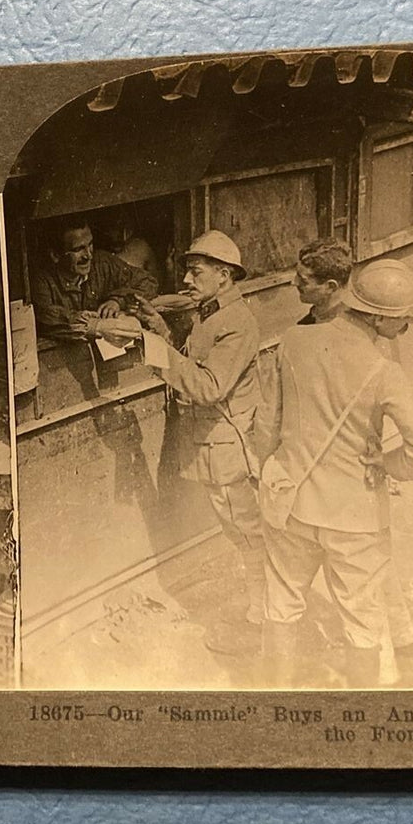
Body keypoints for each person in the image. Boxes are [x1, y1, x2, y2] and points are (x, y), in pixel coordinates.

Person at [258, 259, 413, 688]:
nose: (409, 325)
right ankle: (359, 713)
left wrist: (275, 469)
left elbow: (267, 424)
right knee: (361, 618)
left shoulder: (293, 340)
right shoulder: (385, 372)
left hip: (292, 502)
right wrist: (388, 465)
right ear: (378, 316)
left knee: (281, 604)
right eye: (404, 318)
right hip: (355, 514)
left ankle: (273, 699)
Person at [133, 230, 268, 655]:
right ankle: (264, 615)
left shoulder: (236, 323)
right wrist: (161, 333)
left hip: (226, 451)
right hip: (212, 448)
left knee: (250, 537)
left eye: (196, 271)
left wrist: (152, 347)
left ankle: (260, 626)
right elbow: (194, 365)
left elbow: (209, 386)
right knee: (244, 534)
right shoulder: (210, 316)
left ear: (224, 275)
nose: (187, 280)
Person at [292, 237, 413, 683]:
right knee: (367, 575)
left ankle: (394, 657)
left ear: (334, 287)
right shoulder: (314, 324)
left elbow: (387, 403)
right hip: (339, 477)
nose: (295, 286)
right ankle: (397, 653)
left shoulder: (366, 329)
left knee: (370, 575)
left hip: (353, 475)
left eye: (305, 280)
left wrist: (387, 458)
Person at [31, 217, 157, 343]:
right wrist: (94, 326)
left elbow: (147, 281)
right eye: (78, 249)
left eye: (90, 244)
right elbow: (45, 317)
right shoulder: (42, 282)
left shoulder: (102, 262)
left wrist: (118, 301)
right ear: (55, 255)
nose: (89, 255)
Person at [293, 237, 352, 326]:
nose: (294, 282)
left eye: (304, 281)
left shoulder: (349, 329)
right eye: (297, 276)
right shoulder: (307, 322)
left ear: (331, 287)